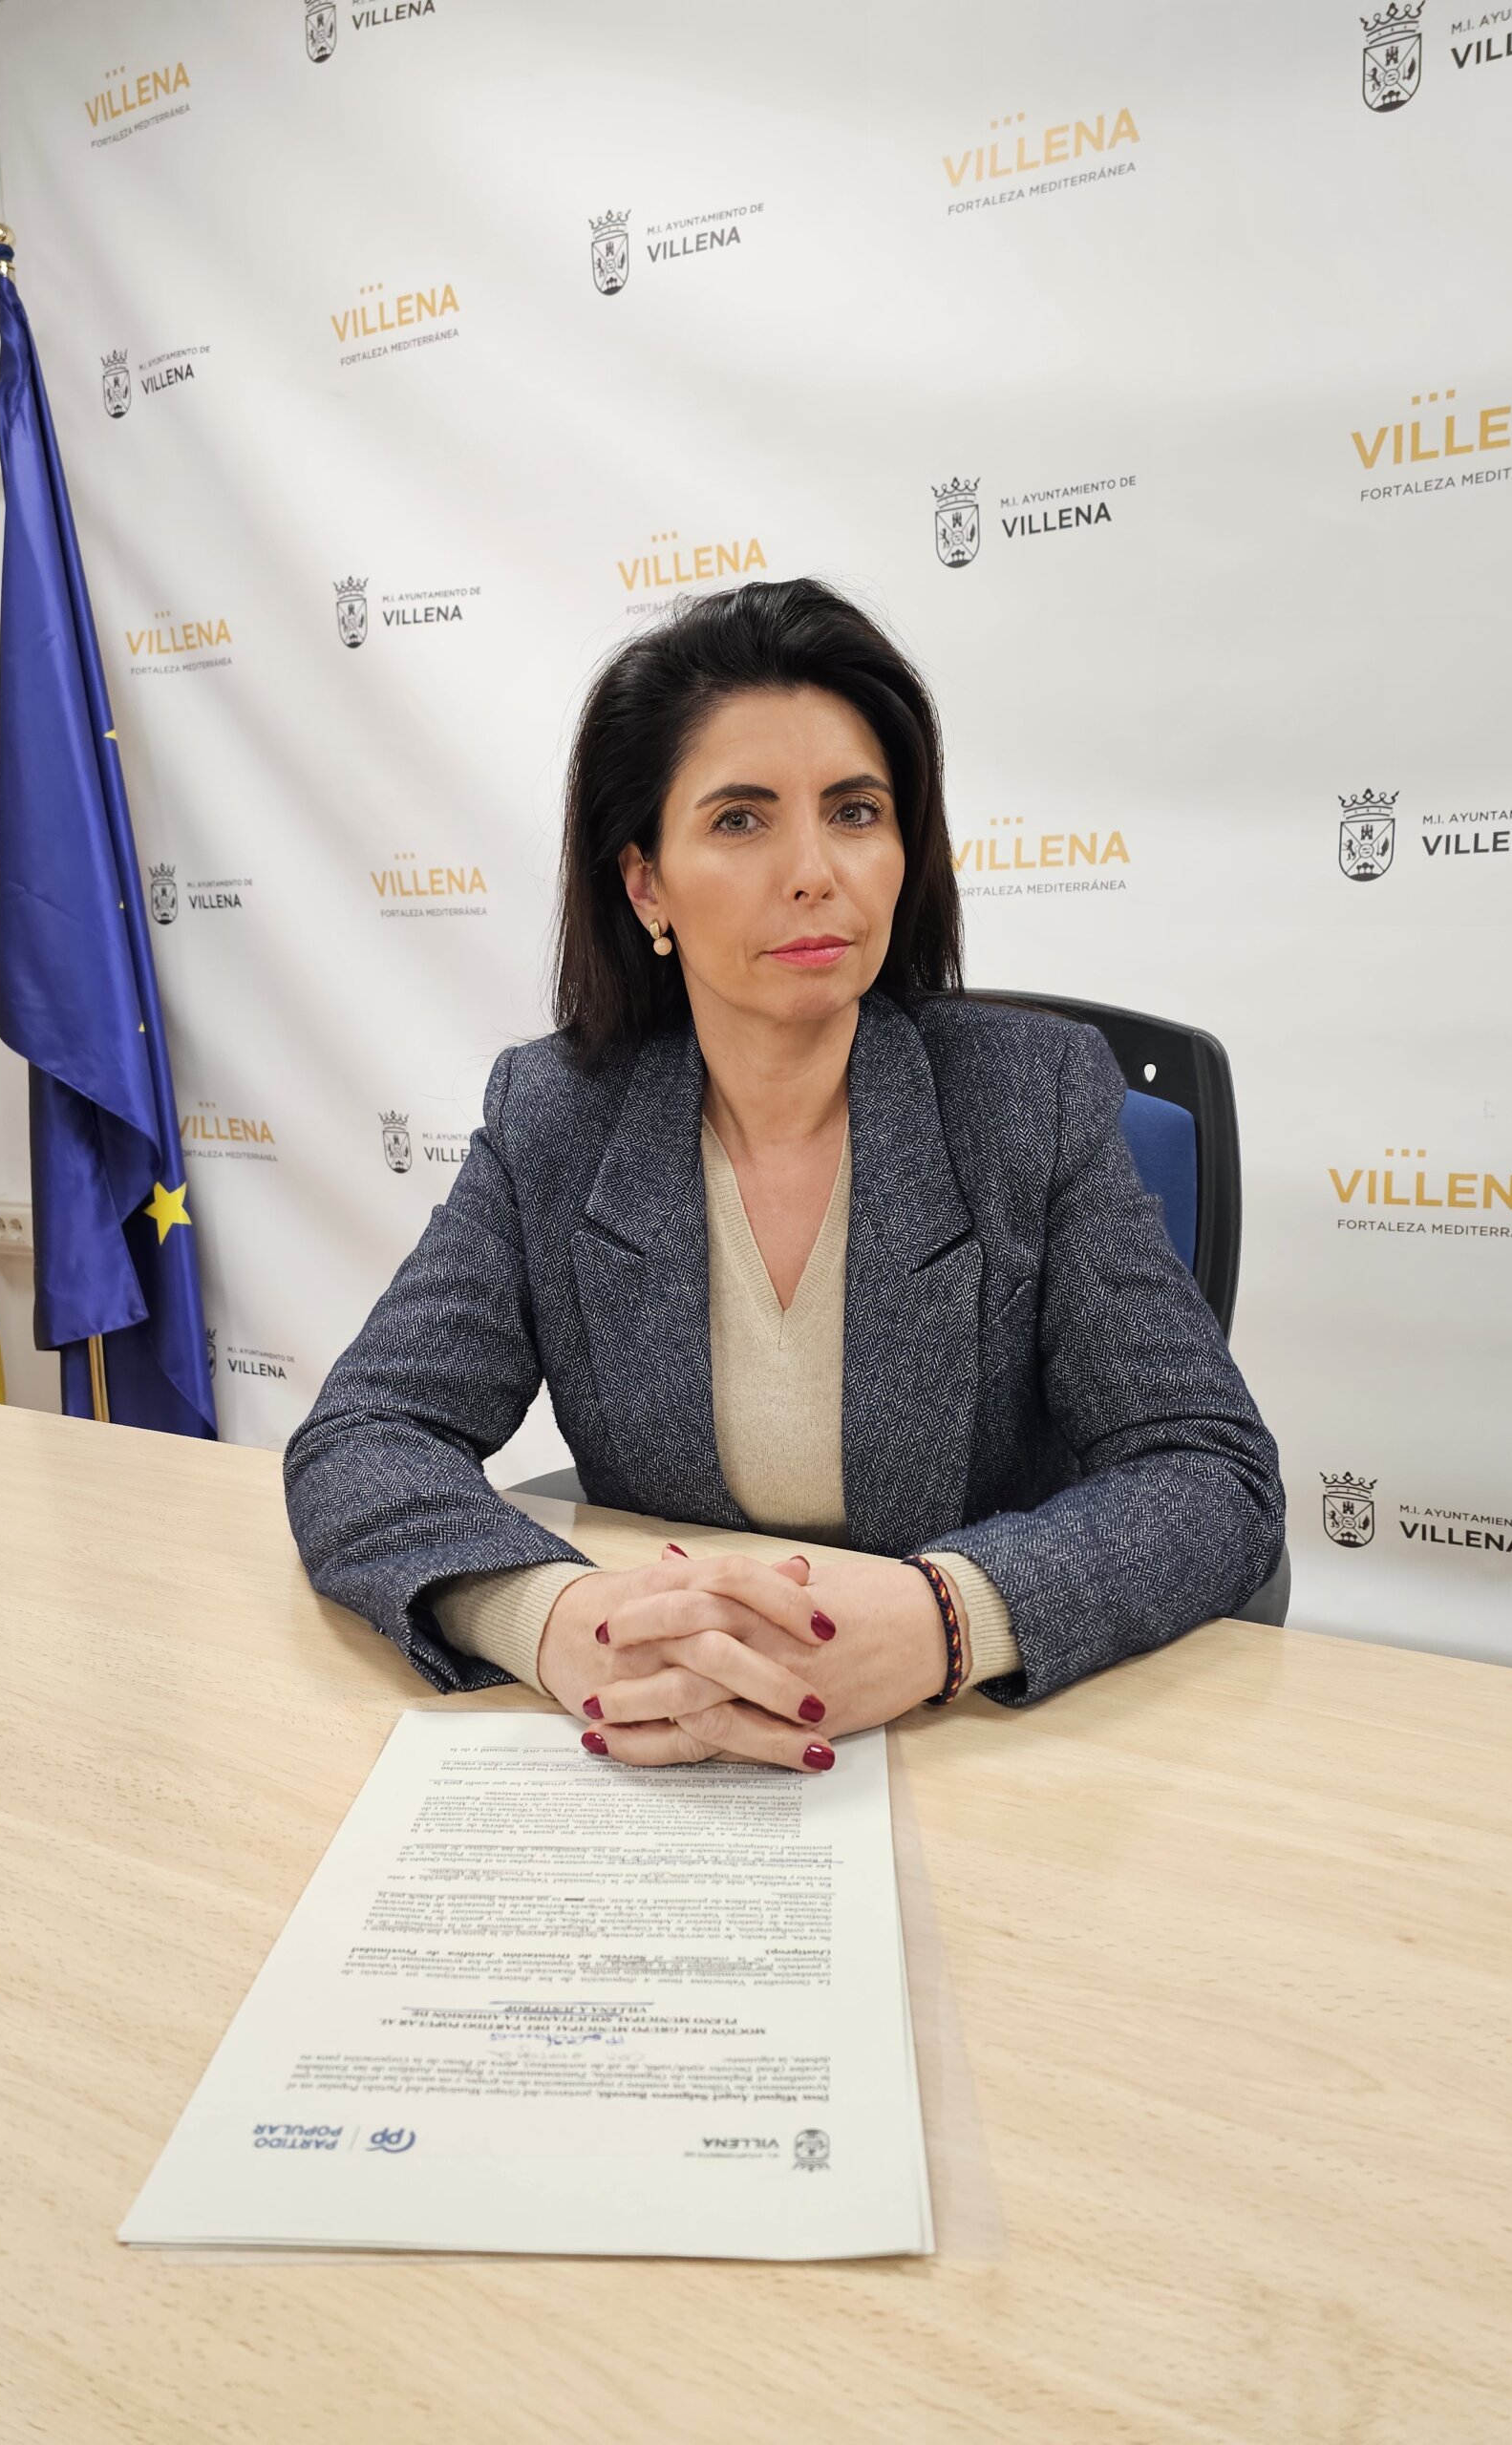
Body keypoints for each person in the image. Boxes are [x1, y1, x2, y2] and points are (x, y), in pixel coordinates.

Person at [284, 578, 1285, 1771]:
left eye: (855, 811)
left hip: (979, 1745)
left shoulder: (1033, 1099)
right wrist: (552, 1621)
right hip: (669, 1759)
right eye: (741, 820)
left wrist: (948, 1619)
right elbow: (364, 1434)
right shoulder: (556, 1119)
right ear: (646, 884)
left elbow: (1211, 1471)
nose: (815, 870)